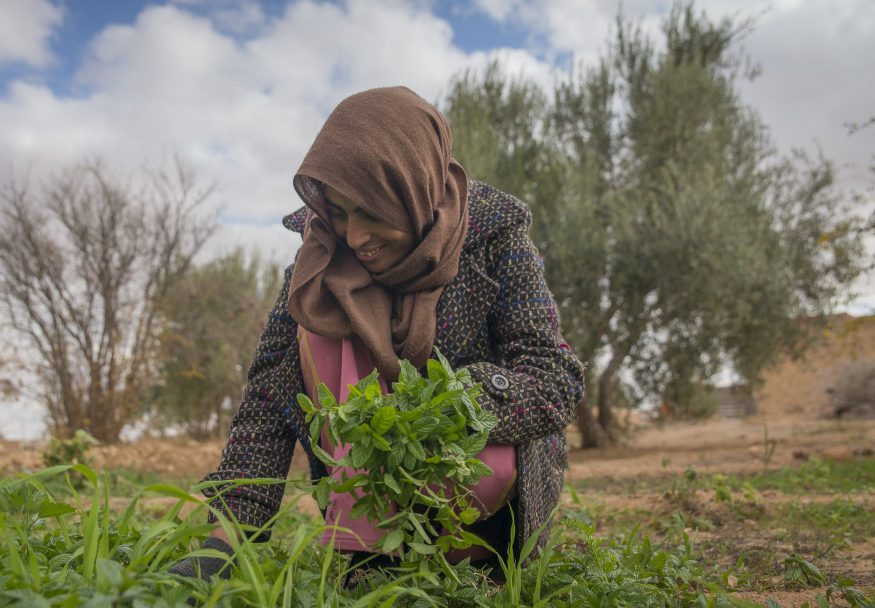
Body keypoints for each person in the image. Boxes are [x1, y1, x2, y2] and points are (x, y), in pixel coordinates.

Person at [169, 86, 585, 581]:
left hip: (488, 506)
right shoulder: (321, 256)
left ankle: (474, 559)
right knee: (320, 320)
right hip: (370, 523)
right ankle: (373, 549)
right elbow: (268, 396)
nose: (354, 237)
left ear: (413, 190)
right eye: (341, 213)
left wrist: (454, 407)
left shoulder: (496, 237)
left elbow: (554, 377)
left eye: (371, 211)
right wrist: (226, 540)